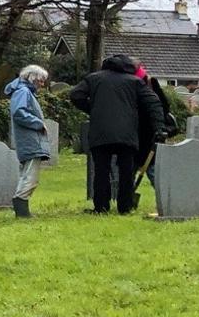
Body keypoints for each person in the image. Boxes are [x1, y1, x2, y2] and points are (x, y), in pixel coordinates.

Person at [68, 53, 168, 215]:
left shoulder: (93, 79)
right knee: (126, 172)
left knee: (101, 171)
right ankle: (125, 207)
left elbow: (75, 95)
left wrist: (93, 109)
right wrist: (159, 127)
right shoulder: (134, 82)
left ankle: (101, 207)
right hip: (126, 133)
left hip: (100, 132)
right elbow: (153, 103)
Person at [2, 65, 52, 217]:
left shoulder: (24, 91)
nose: (42, 84)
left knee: (27, 175)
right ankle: (22, 210)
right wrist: (38, 123)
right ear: (33, 78)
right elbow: (19, 113)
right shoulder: (23, 92)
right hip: (30, 139)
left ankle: (22, 209)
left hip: (29, 139)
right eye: (41, 81)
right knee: (30, 176)